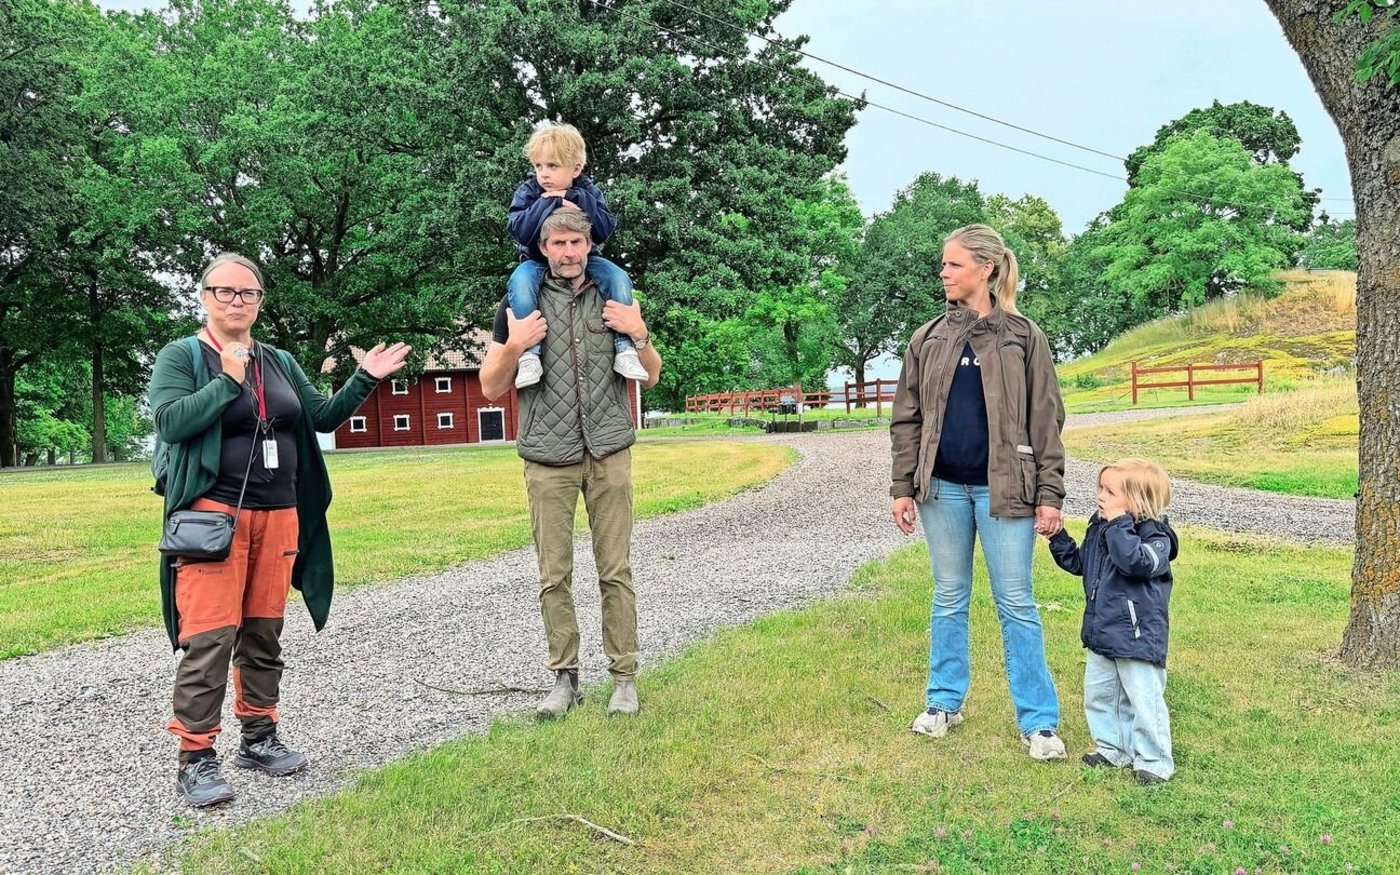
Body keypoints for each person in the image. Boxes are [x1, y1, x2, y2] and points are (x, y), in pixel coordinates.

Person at [148, 252, 410, 807]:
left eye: (247, 293)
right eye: (225, 292)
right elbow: (172, 423)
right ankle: (195, 757)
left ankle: (259, 737)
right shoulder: (184, 355)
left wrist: (367, 378)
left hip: (280, 515)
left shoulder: (279, 360)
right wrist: (228, 380)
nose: (236, 301)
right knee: (211, 638)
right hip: (212, 516)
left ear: (259, 303)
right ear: (204, 297)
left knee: (264, 633)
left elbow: (319, 416)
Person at [888, 223, 1069, 760]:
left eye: (953, 264)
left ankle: (1038, 723)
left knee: (1016, 602)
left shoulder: (1023, 337)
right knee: (949, 599)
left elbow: (1046, 419)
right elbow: (907, 419)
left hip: (1006, 494)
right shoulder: (927, 338)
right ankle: (944, 703)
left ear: (985, 269)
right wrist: (903, 486)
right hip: (940, 492)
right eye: (943, 265)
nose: (943, 273)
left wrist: (1050, 493)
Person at [481, 208, 662, 720]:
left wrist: (640, 332)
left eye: (575, 243)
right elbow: (491, 386)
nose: (567, 252)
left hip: (609, 453)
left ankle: (623, 678)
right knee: (553, 574)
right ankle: (565, 680)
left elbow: (650, 376)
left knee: (615, 571)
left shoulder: (616, 295)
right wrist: (517, 344)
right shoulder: (517, 304)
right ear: (543, 248)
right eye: (557, 243)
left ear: (588, 247)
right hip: (546, 456)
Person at [1047, 458, 1178, 784]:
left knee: (1144, 700)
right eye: (1100, 488)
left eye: (1110, 491)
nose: (1100, 496)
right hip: (1101, 631)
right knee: (1101, 695)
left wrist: (1119, 525)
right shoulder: (1102, 526)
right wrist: (1058, 537)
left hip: (1137, 635)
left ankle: (1154, 761)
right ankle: (1113, 748)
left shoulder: (1156, 537)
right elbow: (1082, 563)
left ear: (1137, 500)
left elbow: (1136, 563)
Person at [506, 122, 648, 388]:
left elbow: (604, 228)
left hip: (587, 260)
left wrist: (573, 196)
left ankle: (624, 347)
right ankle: (530, 355)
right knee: (519, 283)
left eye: (552, 166)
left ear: (575, 168)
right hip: (535, 261)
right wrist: (552, 201)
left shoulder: (589, 192)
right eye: (539, 166)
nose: (543, 174)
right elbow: (519, 230)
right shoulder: (528, 192)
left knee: (619, 278)